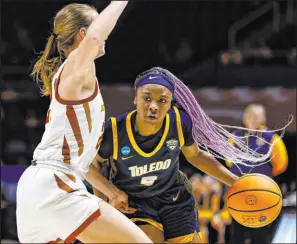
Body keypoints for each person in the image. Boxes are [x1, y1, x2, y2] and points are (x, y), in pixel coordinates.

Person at [93, 67, 280, 243]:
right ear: (135, 98)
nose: (153, 106)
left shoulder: (179, 123)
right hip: (135, 202)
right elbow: (92, 166)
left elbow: (196, 156)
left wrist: (235, 182)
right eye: (147, 98)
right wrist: (105, 202)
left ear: (170, 103)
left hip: (174, 200)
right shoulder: (114, 131)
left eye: (162, 100)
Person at [16, 2, 152, 243]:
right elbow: (93, 39)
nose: (104, 34)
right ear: (83, 34)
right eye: (97, 24)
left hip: (39, 186)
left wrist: (111, 191)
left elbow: (78, 162)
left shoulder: (75, 75)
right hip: (55, 186)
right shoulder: (76, 69)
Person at [225, 103, 289, 244]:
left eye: (255, 116)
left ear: (262, 119)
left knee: (261, 236)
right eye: (249, 116)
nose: (252, 119)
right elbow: (229, 163)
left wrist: (260, 181)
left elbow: (281, 165)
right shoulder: (235, 137)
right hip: (239, 194)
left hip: (263, 195)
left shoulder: (272, 139)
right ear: (244, 118)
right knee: (237, 236)